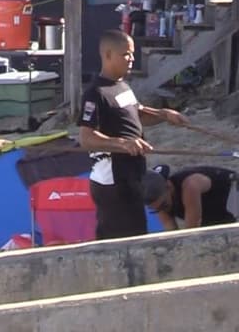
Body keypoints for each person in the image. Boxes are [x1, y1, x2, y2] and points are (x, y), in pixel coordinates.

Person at [77, 29, 189, 239]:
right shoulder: (95, 93)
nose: (132, 59)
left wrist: (164, 115)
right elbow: (86, 138)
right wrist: (123, 143)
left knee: (136, 234)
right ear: (108, 55)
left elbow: (138, 113)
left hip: (133, 176)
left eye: (132, 53)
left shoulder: (122, 86)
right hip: (113, 181)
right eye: (126, 54)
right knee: (120, 241)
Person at [141, 164, 237, 230]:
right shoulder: (160, 201)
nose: (162, 211)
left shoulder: (191, 184)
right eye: (156, 210)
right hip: (216, 219)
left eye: (163, 205)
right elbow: (170, 232)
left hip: (238, 201)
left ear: (169, 186)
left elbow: (191, 231)